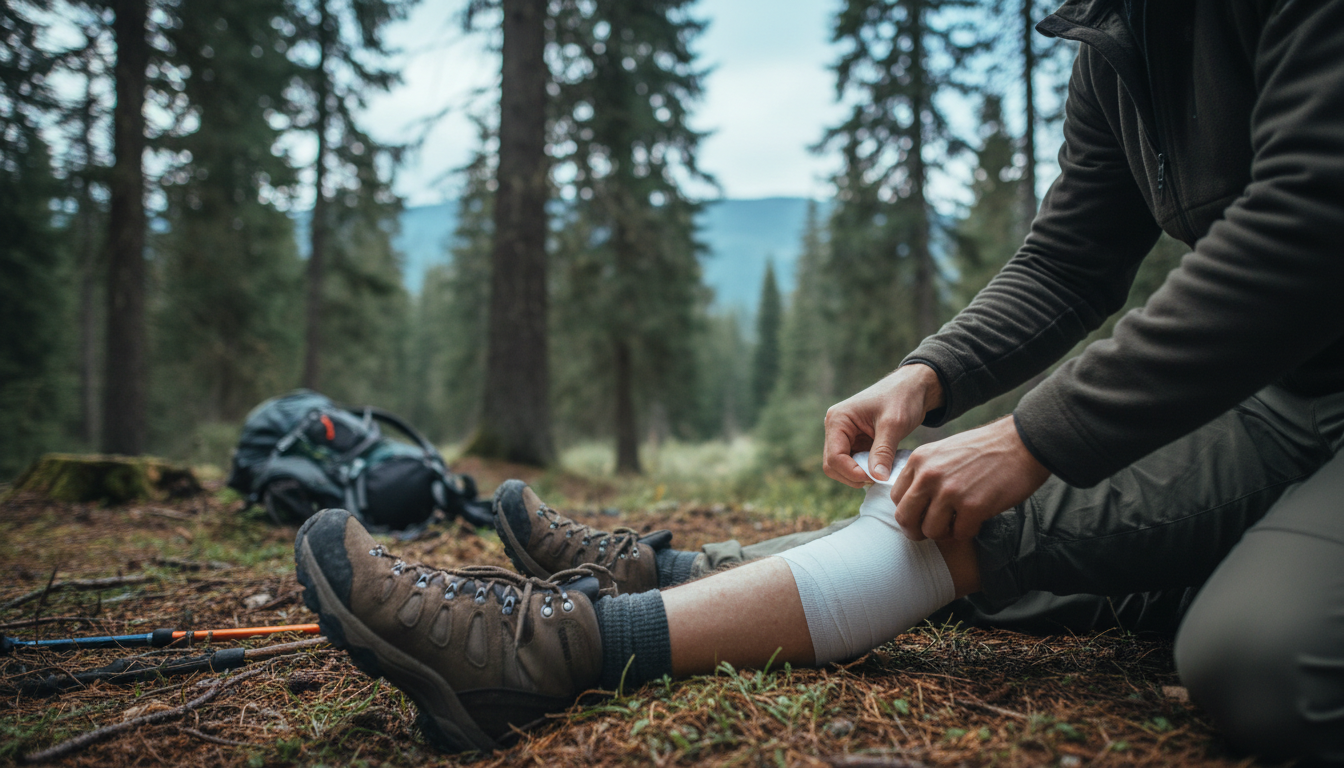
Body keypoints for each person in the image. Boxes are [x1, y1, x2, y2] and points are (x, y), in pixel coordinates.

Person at [294, 0, 1344, 761]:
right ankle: (606, 616)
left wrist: (1032, 438)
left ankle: (608, 616)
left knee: (1259, 663)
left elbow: (1311, 221)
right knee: (945, 519)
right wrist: (929, 374)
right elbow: (1074, 256)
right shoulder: (1120, 33)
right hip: (1286, 396)